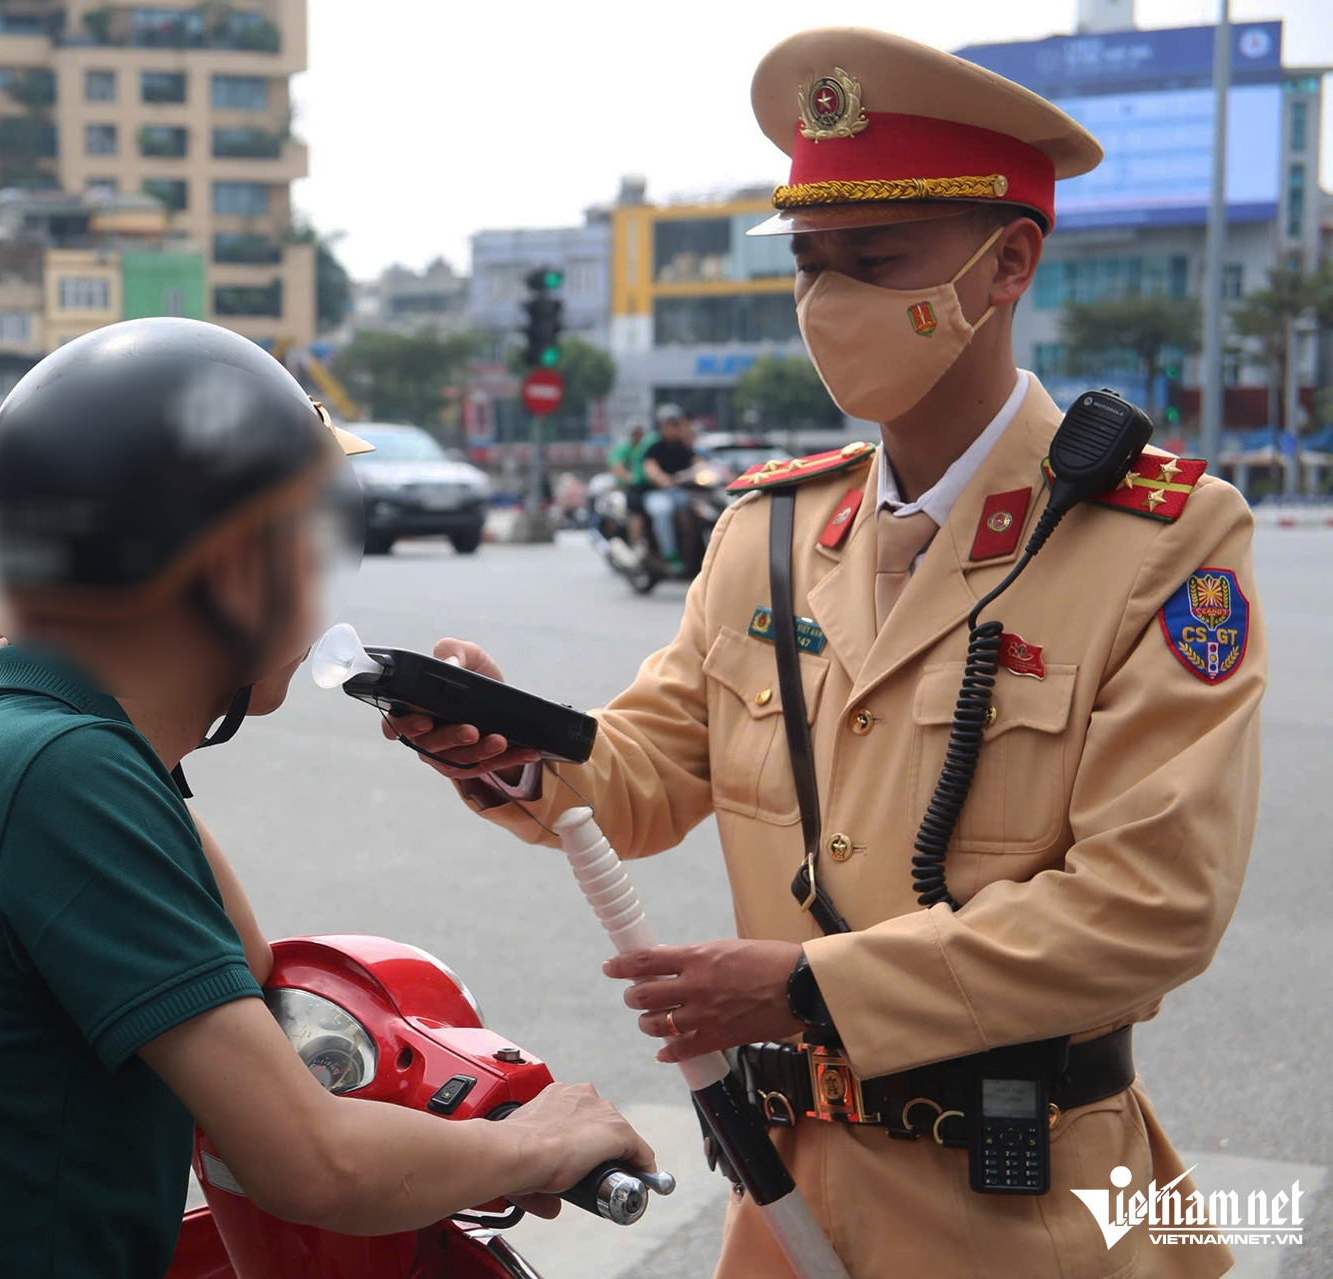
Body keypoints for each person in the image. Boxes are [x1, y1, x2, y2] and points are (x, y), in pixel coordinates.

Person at [383, 28, 1260, 1279]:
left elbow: (1151, 906)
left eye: (874, 259)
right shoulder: (771, 533)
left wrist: (810, 988)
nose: (827, 301)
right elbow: (644, 774)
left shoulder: (1158, 540)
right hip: (790, 1205)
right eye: (809, 262)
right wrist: (513, 744)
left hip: (1030, 1208)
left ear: (1009, 262)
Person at [0, 318, 653, 1277]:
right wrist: (535, 1141)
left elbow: (237, 962)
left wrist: (131, 725)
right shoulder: (62, 776)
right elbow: (314, 1160)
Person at [640, 405, 697, 570]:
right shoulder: (654, 447)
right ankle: (669, 554)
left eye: (677, 424)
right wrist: (661, 478)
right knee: (662, 511)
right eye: (671, 425)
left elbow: (699, 463)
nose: (674, 428)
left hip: (683, 492)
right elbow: (650, 467)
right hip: (658, 492)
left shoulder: (685, 447)